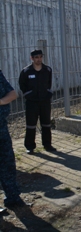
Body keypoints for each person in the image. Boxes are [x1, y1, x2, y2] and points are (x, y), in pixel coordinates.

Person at [0, 69, 29, 215]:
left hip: (1, 129)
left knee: (7, 163)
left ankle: (12, 197)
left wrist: (1, 101)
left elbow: (12, 94)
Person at [19, 49, 54, 153]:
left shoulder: (47, 70)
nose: (39, 59)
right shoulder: (26, 71)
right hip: (32, 102)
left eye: (40, 57)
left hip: (44, 101)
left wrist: (47, 93)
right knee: (31, 124)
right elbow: (22, 85)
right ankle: (30, 147)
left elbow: (49, 83)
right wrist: (28, 95)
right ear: (32, 58)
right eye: (36, 57)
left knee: (46, 123)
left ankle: (47, 145)